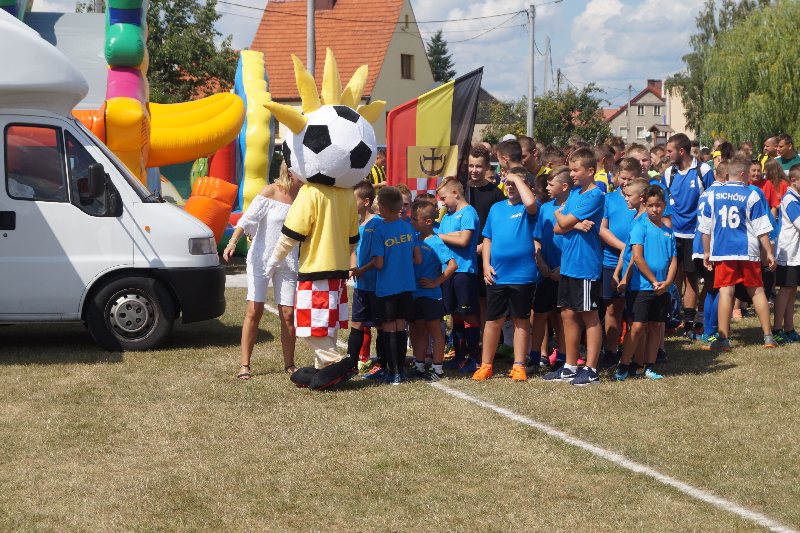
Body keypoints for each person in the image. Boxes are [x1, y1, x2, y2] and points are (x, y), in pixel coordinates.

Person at [223, 162, 301, 379]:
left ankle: (290, 364)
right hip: (261, 259)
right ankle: (245, 365)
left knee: (288, 314)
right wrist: (231, 242)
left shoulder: (304, 196)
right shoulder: (270, 191)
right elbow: (246, 219)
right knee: (254, 310)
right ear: (290, 171)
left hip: (288, 262)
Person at [699, 156, 778, 351]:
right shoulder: (751, 194)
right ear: (742, 174)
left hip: (723, 251)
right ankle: (768, 337)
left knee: (726, 291)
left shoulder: (713, 195)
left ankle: (723, 339)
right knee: (757, 290)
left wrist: (706, 251)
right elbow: (762, 228)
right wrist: (769, 252)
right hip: (747, 250)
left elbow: (705, 228)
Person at [544, 147, 605, 386]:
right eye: (570, 169)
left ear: (590, 171)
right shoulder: (575, 194)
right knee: (567, 313)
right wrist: (574, 224)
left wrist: (565, 218)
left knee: (589, 315)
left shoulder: (595, 195)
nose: (571, 174)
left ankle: (591, 369)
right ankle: (569, 366)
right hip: (569, 264)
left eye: (576, 170)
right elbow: (558, 228)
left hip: (585, 264)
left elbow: (563, 219)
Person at [472, 167, 540, 381]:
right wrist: (485, 265)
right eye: (507, 183)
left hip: (522, 275)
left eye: (515, 183)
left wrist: (517, 178)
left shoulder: (528, 207)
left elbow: (531, 203)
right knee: (493, 320)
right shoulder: (497, 208)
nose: (510, 186)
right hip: (498, 274)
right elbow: (488, 238)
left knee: (521, 320)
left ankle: (519, 365)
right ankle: (486, 365)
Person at [613, 185, 676, 381]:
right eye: (651, 206)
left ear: (664, 205)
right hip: (641, 287)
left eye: (658, 205)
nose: (655, 209)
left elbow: (673, 260)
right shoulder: (640, 227)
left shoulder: (669, 232)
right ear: (645, 205)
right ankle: (624, 366)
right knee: (637, 327)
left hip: (662, 289)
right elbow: (637, 258)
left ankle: (650, 366)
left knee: (656, 326)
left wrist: (667, 282)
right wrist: (654, 281)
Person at [662, 133, 714, 338]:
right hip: (674, 233)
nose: (667, 155)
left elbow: (712, 199)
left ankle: (692, 321)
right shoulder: (669, 173)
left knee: (692, 277)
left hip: (696, 235)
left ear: (681, 151)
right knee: (673, 275)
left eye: (670, 151)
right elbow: (663, 200)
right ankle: (675, 317)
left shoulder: (703, 170)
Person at [370, 186, 421, 384]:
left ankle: (393, 372)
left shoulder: (380, 230)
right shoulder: (408, 228)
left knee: (389, 328)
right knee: (401, 326)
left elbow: (379, 263)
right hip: (407, 284)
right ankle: (401, 370)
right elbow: (417, 258)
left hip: (388, 286)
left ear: (383, 207)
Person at [436, 177, 482, 372]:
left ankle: (474, 357)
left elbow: (464, 240)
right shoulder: (447, 216)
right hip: (448, 271)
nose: (443, 203)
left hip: (464, 271)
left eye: (444, 198)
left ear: (455, 193)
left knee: (468, 315)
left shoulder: (468, 212)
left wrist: (441, 236)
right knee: (454, 315)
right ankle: (459, 355)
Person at [409, 201, 457, 380]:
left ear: (428, 221)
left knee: (435, 332)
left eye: (415, 219)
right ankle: (420, 365)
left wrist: (436, 282)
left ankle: (438, 369)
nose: (412, 222)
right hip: (415, 294)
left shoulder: (436, 241)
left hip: (430, 295)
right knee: (420, 330)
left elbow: (452, 265)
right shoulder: (415, 238)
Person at [599, 157, 640, 367]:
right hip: (611, 260)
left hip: (638, 263)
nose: (625, 183)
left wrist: (632, 251)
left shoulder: (641, 199)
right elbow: (602, 228)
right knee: (612, 308)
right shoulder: (609, 199)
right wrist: (623, 247)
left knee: (634, 311)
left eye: (630, 179)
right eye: (623, 178)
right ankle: (611, 351)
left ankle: (634, 352)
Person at [531, 167, 570, 370]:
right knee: (539, 314)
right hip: (545, 273)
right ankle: (535, 357)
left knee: (563, 317)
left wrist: (563, 268)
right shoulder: (545, 208)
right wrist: (541, 263)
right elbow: (536, 239)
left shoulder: (574, 208)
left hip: (565, 273)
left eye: (550, 184)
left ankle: (563, 357)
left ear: (564, 186)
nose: (546, 188)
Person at [467, 144, 505, 327]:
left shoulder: (495, 193)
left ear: (487, 167)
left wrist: (483, 246)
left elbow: (501, 226)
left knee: (484, 300)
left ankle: (485, 338)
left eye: (478, 166)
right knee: (465, 301)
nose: (474, 170)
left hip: (486, 253)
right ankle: (466, 340)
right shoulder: (461, 191)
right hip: (463, 254)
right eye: (471, 165)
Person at [349, 181, 383, 376]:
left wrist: (362, 269)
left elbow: (379, 258)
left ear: (366, 201)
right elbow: (353, 250)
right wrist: (353, 267)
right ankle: (351, 363)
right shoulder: (355, 223)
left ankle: (382, 363)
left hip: (376, 285)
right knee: (357, 323)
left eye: (353, 199)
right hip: (361, 285)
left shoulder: (377, 223)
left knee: (380, 325)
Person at [773, 164, 800, 343]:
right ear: (794, 180)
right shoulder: (790, 200)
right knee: (785, 290)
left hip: (795, 254)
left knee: (792, 289)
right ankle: (777, 329)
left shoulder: (796, 198)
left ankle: (789, 328)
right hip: (787, 253)